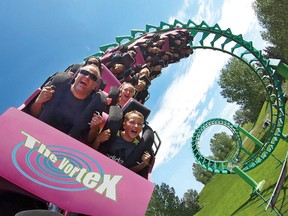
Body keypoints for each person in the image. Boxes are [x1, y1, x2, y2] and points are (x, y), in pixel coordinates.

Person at [29, 65, 105, 141]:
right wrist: (38, 102)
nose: (87, 77)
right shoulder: (57, 87)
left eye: (93, 77)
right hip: (36, 133)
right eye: (84, 72)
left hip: (63, 147)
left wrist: (94, 128)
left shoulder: (92, 107)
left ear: (94, 86)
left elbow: (88, 140)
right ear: (76, 76)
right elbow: (33, 115)